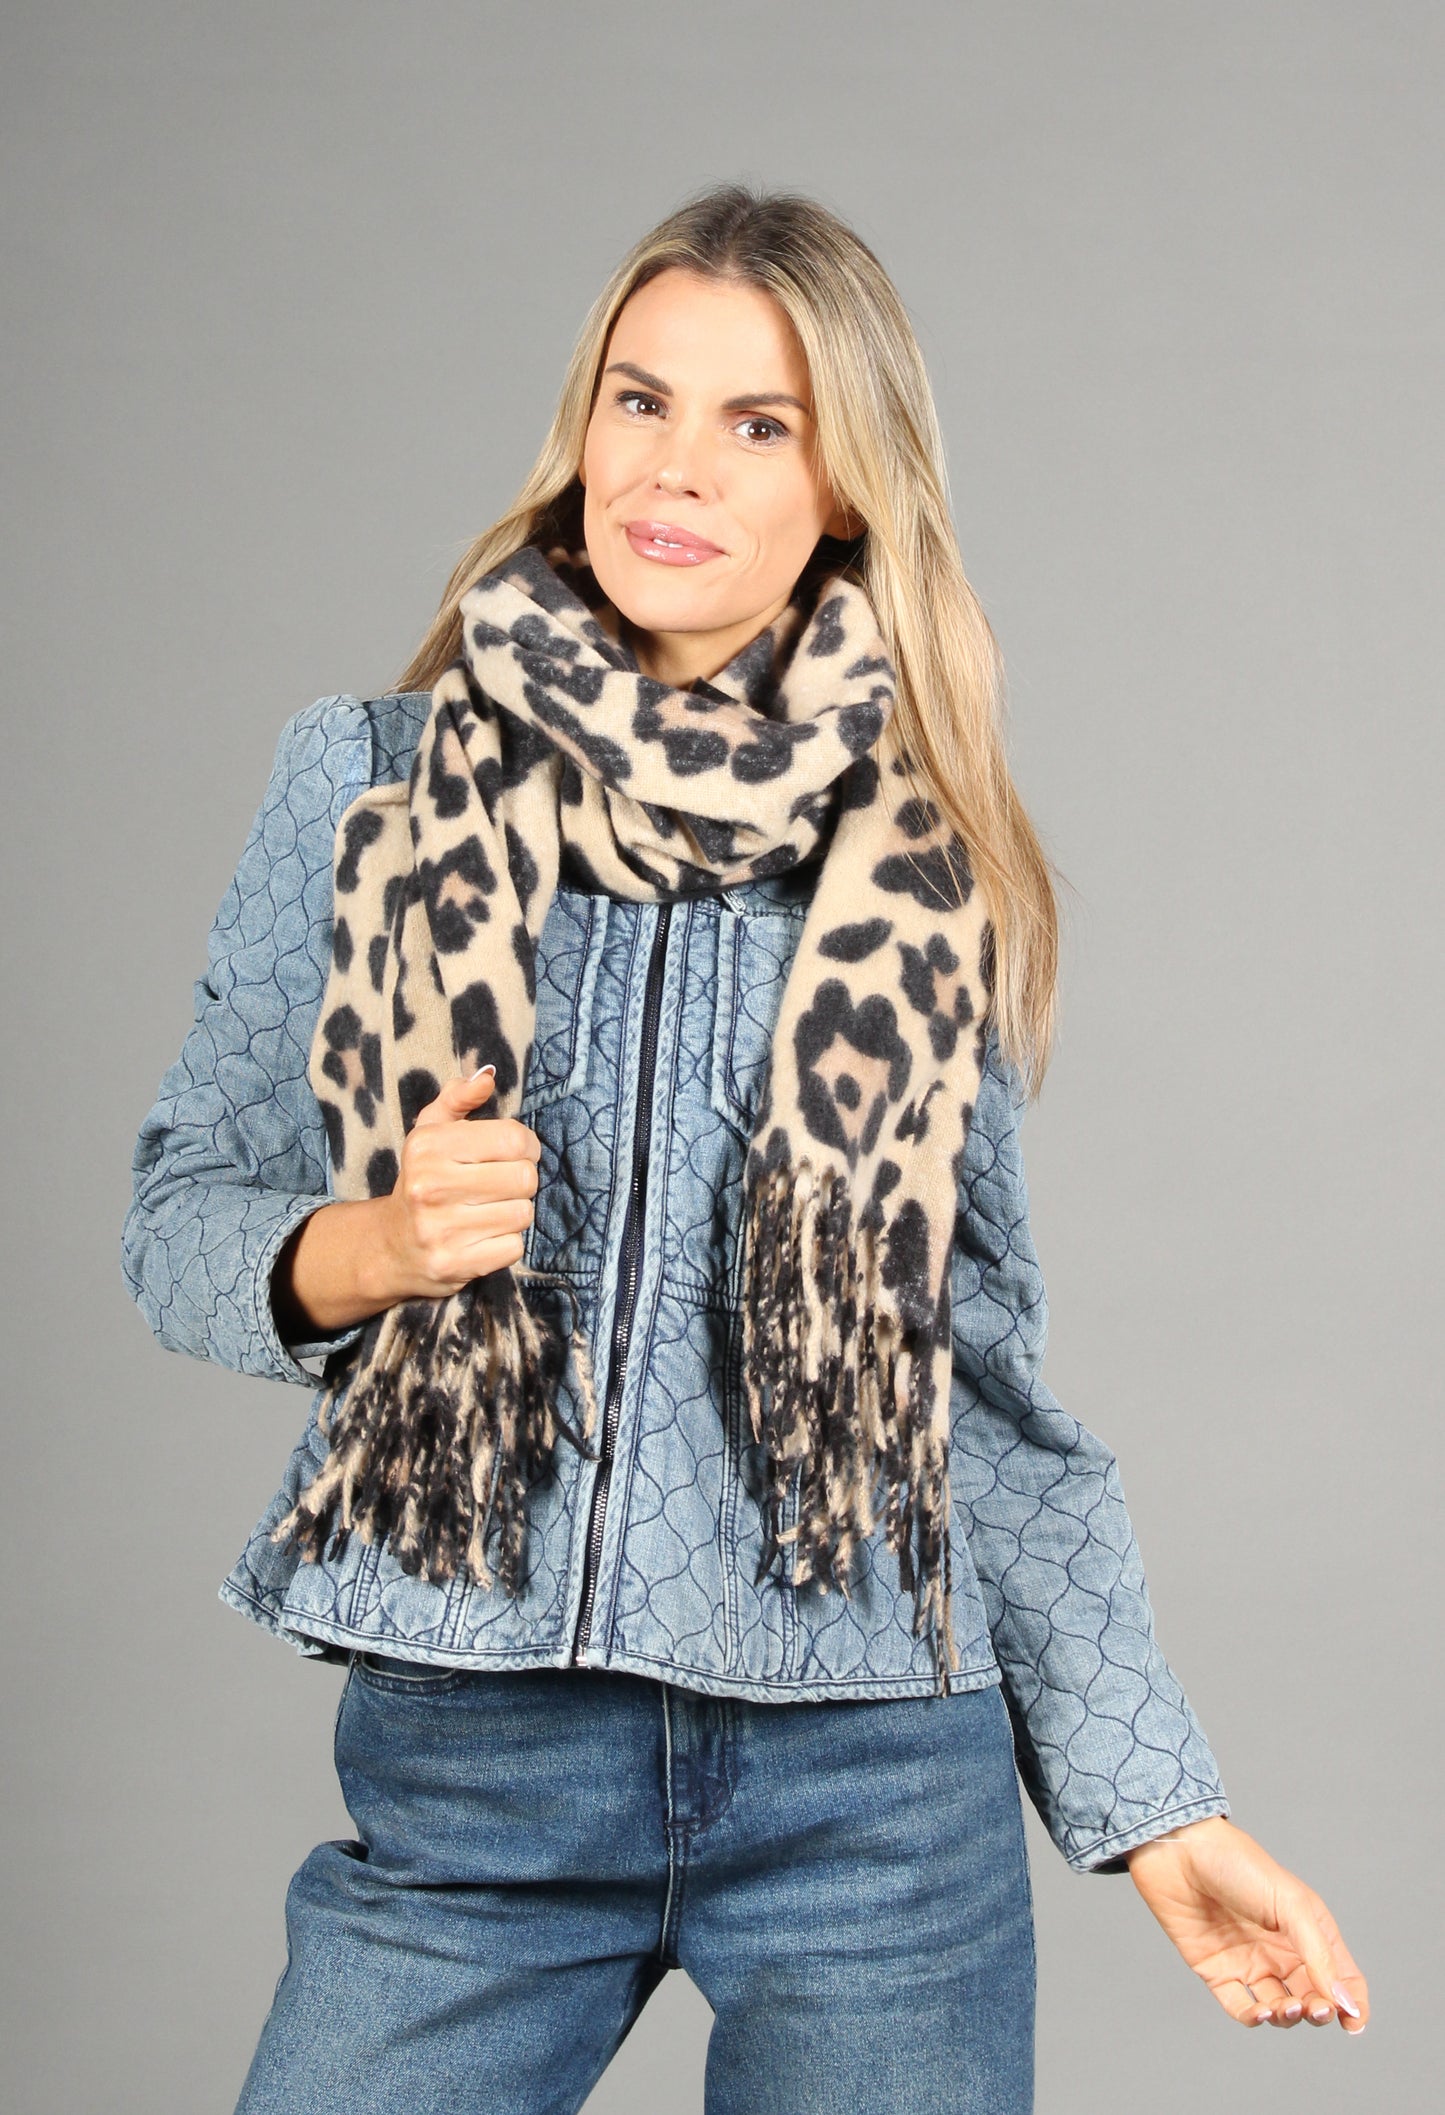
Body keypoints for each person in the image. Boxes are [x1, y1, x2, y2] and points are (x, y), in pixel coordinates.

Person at [121, 184, 1369, 2115]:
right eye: (639, 400)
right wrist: (371, 1249)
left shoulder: (927, 868)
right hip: (482, 1765)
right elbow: (180, 1218)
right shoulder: (369, 779)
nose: (674, 467)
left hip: (874, 1790)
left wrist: (1154, 1809)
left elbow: (982, 1396)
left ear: (844, 488)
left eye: (756, 423)